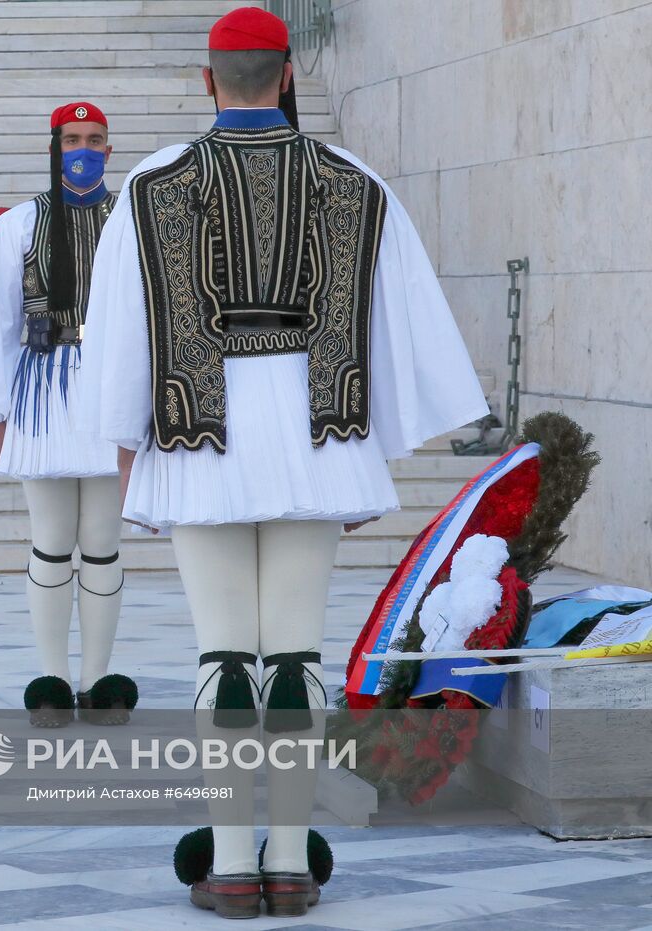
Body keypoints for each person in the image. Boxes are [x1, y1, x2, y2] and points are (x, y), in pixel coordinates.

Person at [79, 6, 488, 918]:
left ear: (206, 79)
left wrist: (123, 452)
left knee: (223, 653)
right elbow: (397, 323)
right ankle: (295, 864)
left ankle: (231, 866)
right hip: (316, 439)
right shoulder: (355, 181)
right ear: (290, 73)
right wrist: (370, 446)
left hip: (198, 439)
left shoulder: (150, 186)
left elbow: (120, 335)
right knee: (297, 655)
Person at [0, 103, 138, 727]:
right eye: (72, 139)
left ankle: (98, 681)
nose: (84, 150)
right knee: (51, 539)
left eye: (95, 139)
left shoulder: (132, 221)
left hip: (111, 389)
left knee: (102, 543)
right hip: (42, 391)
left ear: (109, 149)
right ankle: (52, 678)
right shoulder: (17, 225)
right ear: (54, 147)